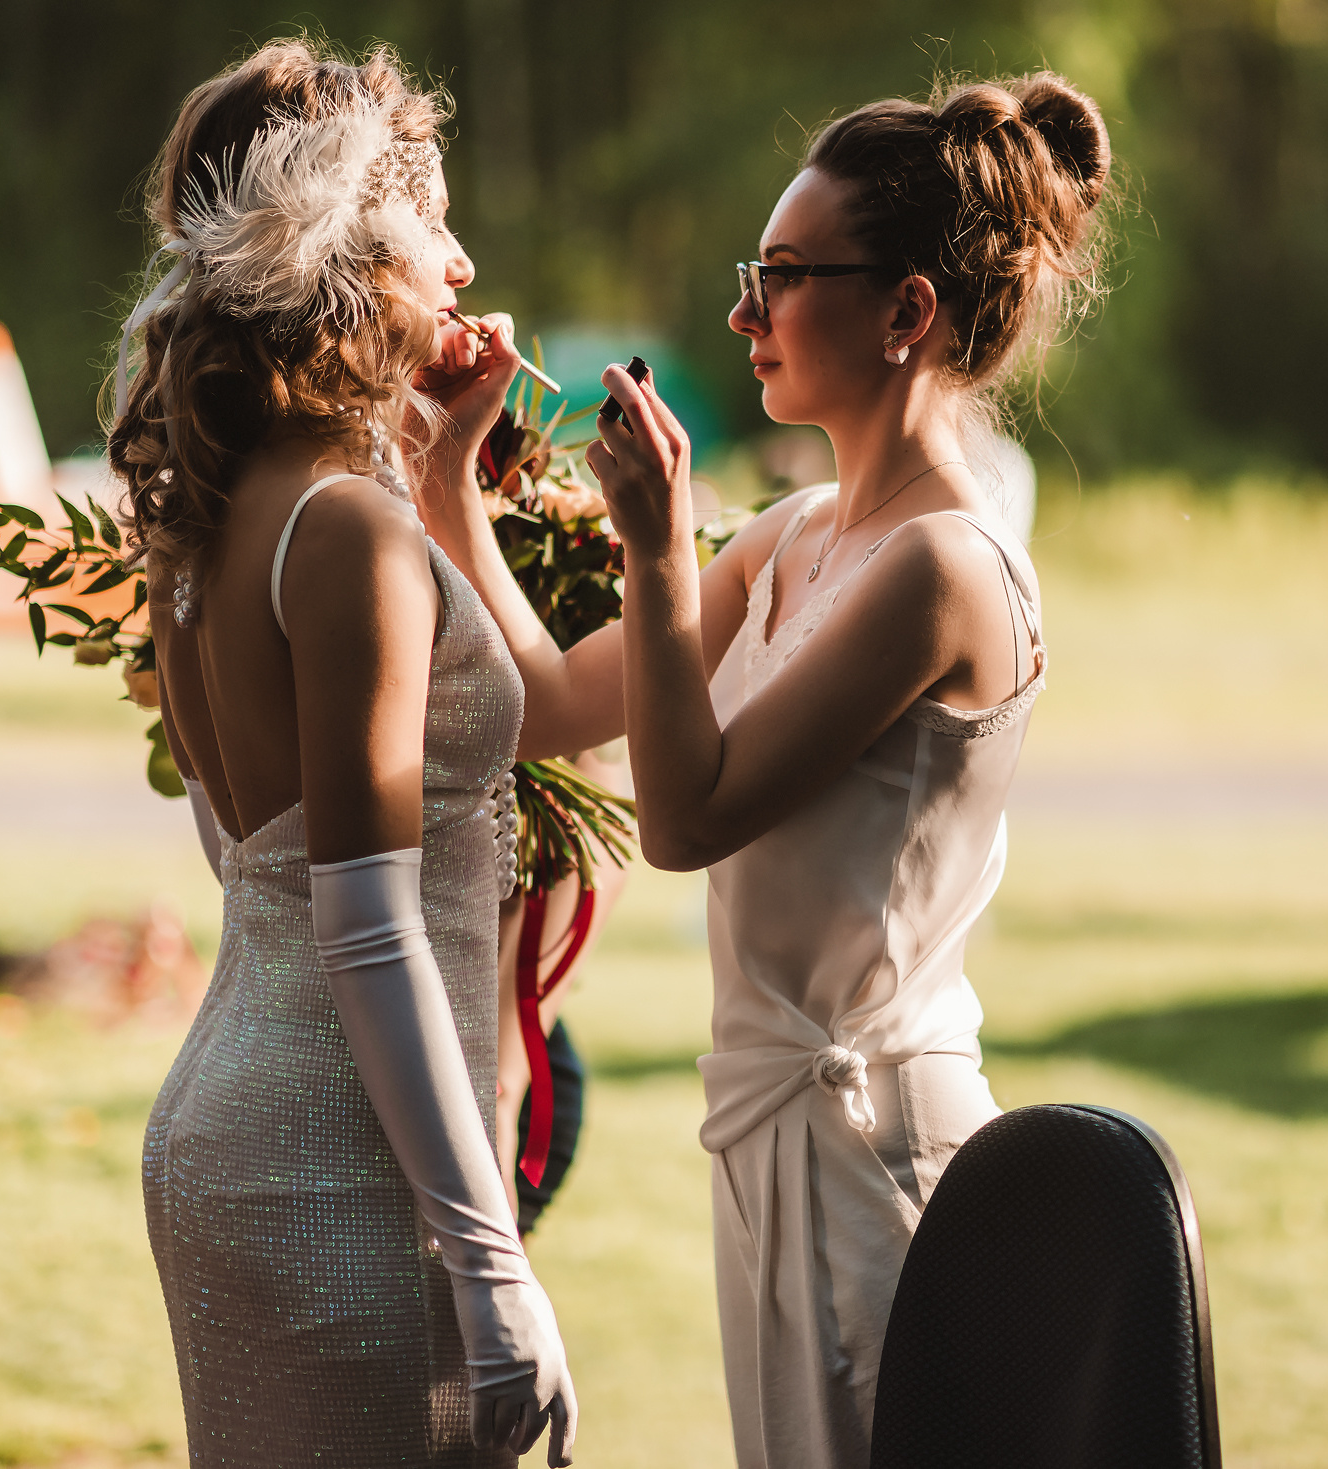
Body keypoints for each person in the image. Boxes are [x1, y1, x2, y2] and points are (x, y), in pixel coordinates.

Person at [428, 71, 1112, 1469]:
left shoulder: (944, 570)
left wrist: (657, 546)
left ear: (906, 312)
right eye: (756, 273)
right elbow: (558, 705)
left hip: (874, 1152)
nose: (744, 314)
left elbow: (685, 819)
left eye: (785, 277)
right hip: (770, 1139)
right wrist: (446, 480)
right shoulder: (799, 534)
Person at [114, 39, 575, 1466]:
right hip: (343, 1161)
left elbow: (248, 853)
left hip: (227, 1123)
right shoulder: (351, 534)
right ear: (358, 249)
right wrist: (491, 1263)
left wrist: (440, 457)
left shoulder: (213, 519)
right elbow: (365, 925)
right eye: (432, 215)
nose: (461, 254)